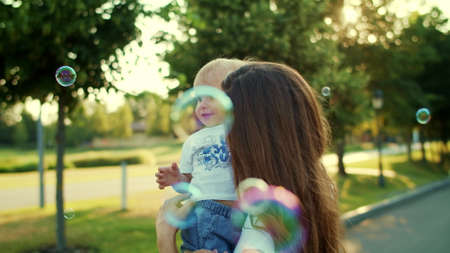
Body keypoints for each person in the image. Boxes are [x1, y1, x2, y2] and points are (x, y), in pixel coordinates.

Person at [156, 62, 343, 253]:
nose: (220, 136)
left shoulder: (259, 230)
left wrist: (165, 237)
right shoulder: (316, 194)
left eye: (230, 119)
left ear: (256, 133)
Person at [155, 58, 247, 252]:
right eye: (198, 99)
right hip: (205, 212)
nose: (202, 106)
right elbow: (190, 183)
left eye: (210, 97)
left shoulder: (243, 133)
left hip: (241, 214)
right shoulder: (194, 140)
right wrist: (178, 179)